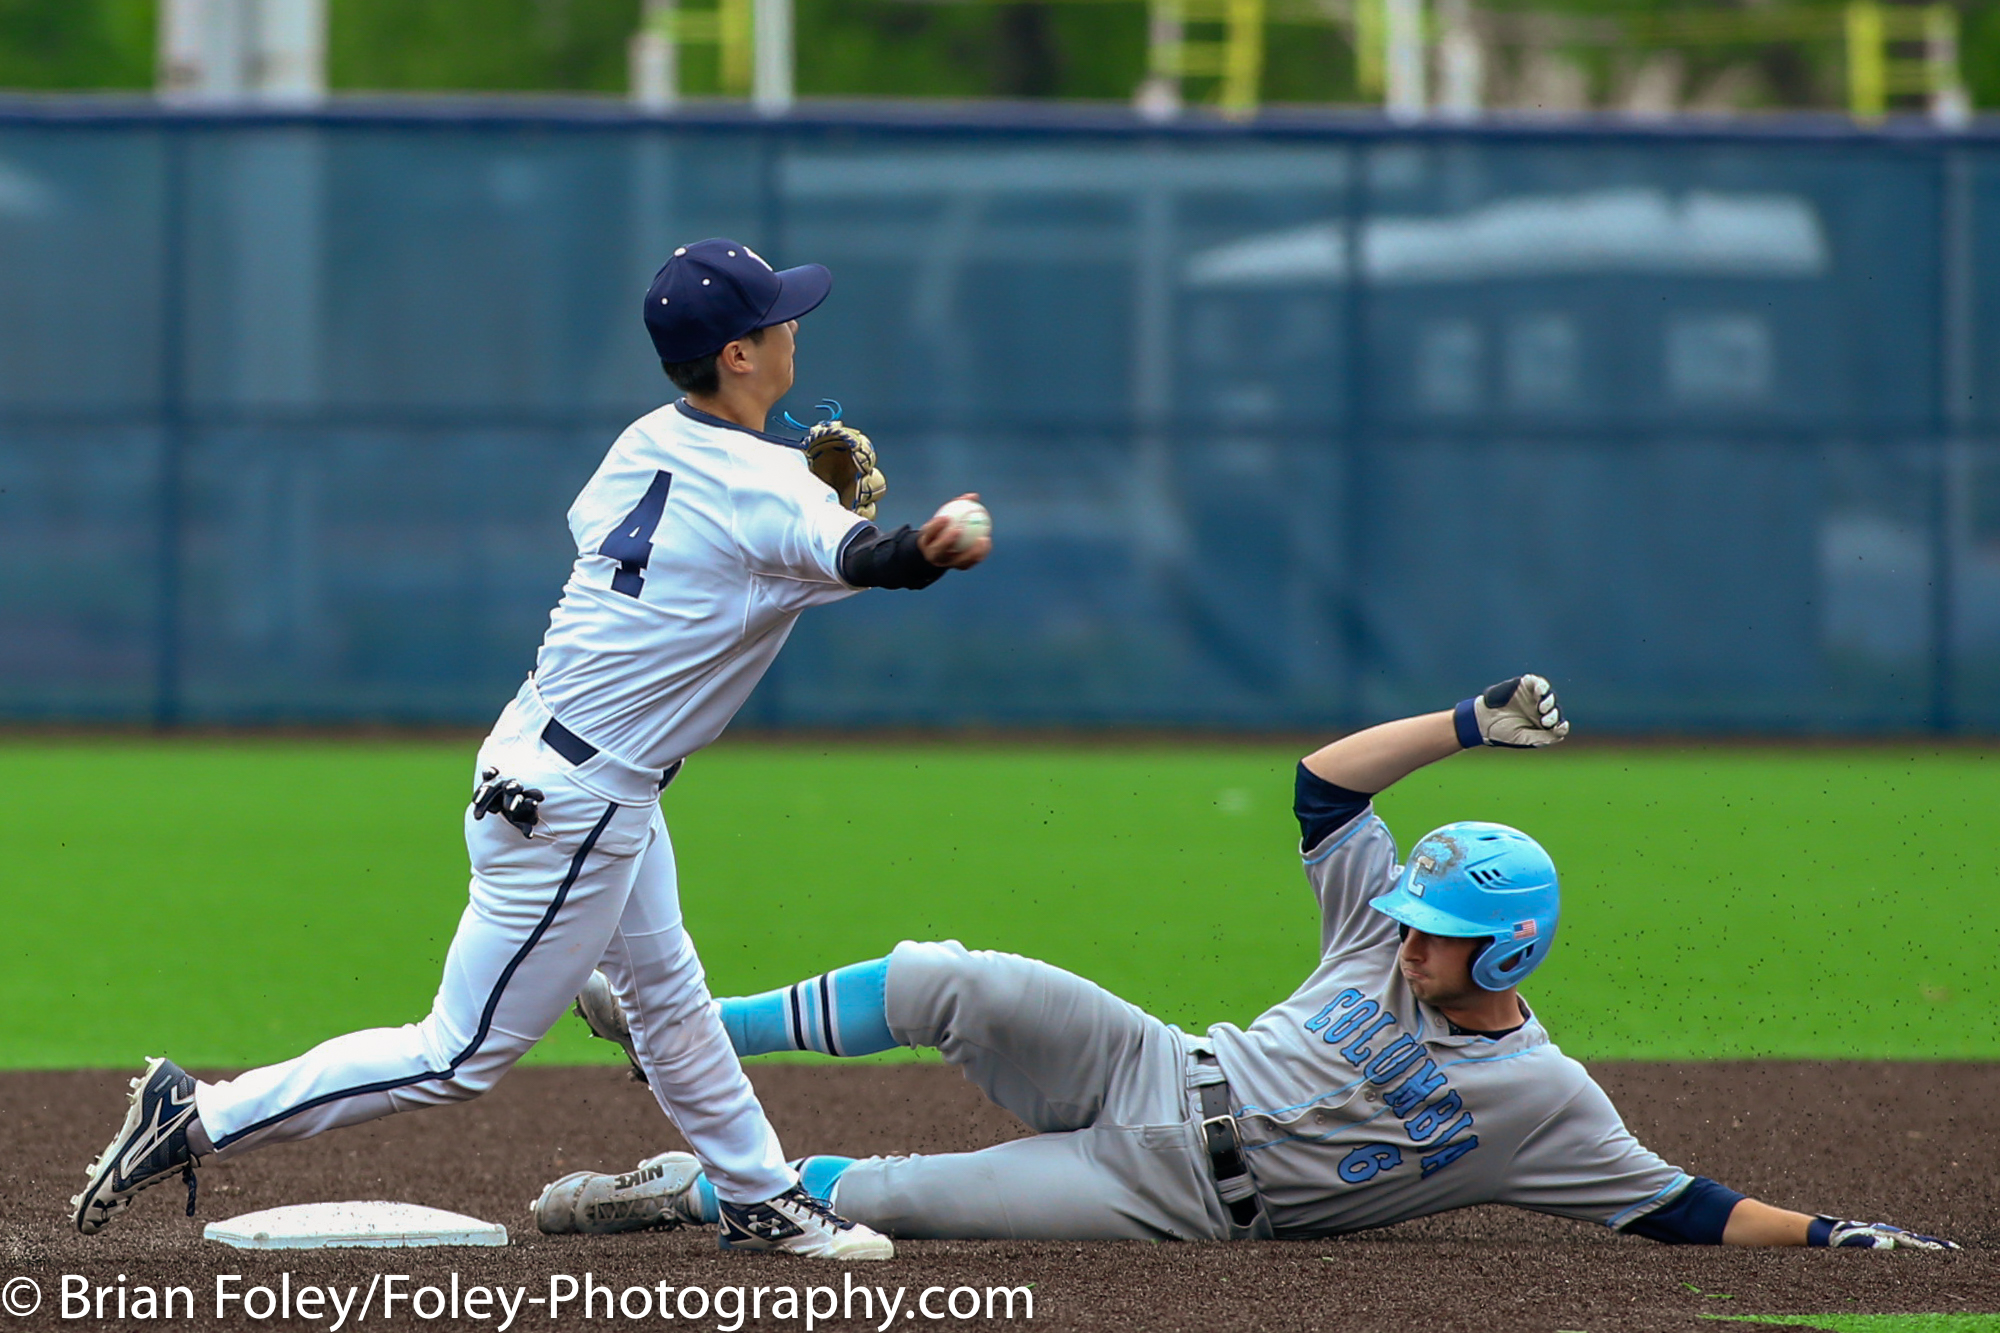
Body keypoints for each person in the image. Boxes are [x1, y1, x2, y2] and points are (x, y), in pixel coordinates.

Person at [72, 238, 992, 1262]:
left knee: (667, 997)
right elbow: (868, 559)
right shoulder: (769, 488)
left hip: (555, 753)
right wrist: (924, 543)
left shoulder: (648, 441)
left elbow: (715, 564)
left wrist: (810, 523)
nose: (792, 328)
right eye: (777, 317)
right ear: (737, 354)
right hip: (578, 801)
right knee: (456, 1053)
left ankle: (756, 1191)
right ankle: (198, 1113)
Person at [534, 676, 1956, 1251]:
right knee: (954, 976)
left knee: (892, 1201)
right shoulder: (1377, 933)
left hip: (1174, 1199)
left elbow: (1681, 1206)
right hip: (1157, 1062)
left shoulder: (1542, 1103)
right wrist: (1466, 725)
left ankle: (686, 1189)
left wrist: (1827, 1235)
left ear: (1510, 947)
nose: (1406, 931)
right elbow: (1322, 786)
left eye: (1438, 927)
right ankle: (684, 1029)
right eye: (1408, 910)